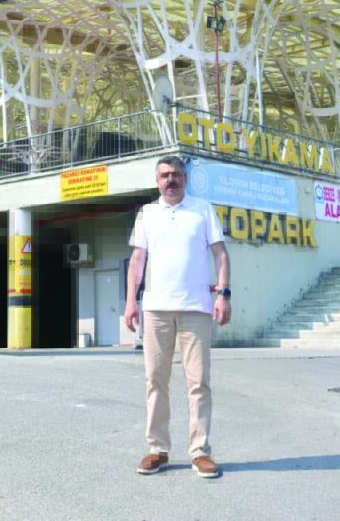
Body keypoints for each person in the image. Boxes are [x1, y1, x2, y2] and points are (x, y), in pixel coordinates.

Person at [124, 155, 231, 478]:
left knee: (199, 383)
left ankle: (200, 451)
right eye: (164, 175)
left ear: (185, 178)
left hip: (196, 308)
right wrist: (131, 302)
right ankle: (157, 449)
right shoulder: (147, 213)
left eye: (176, 174)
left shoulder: (202, 209)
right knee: (155, 380)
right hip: (155, 309)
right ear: (157, 181)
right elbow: (137, 260)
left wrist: (223, 294)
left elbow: (220, 254)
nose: (170, 180)